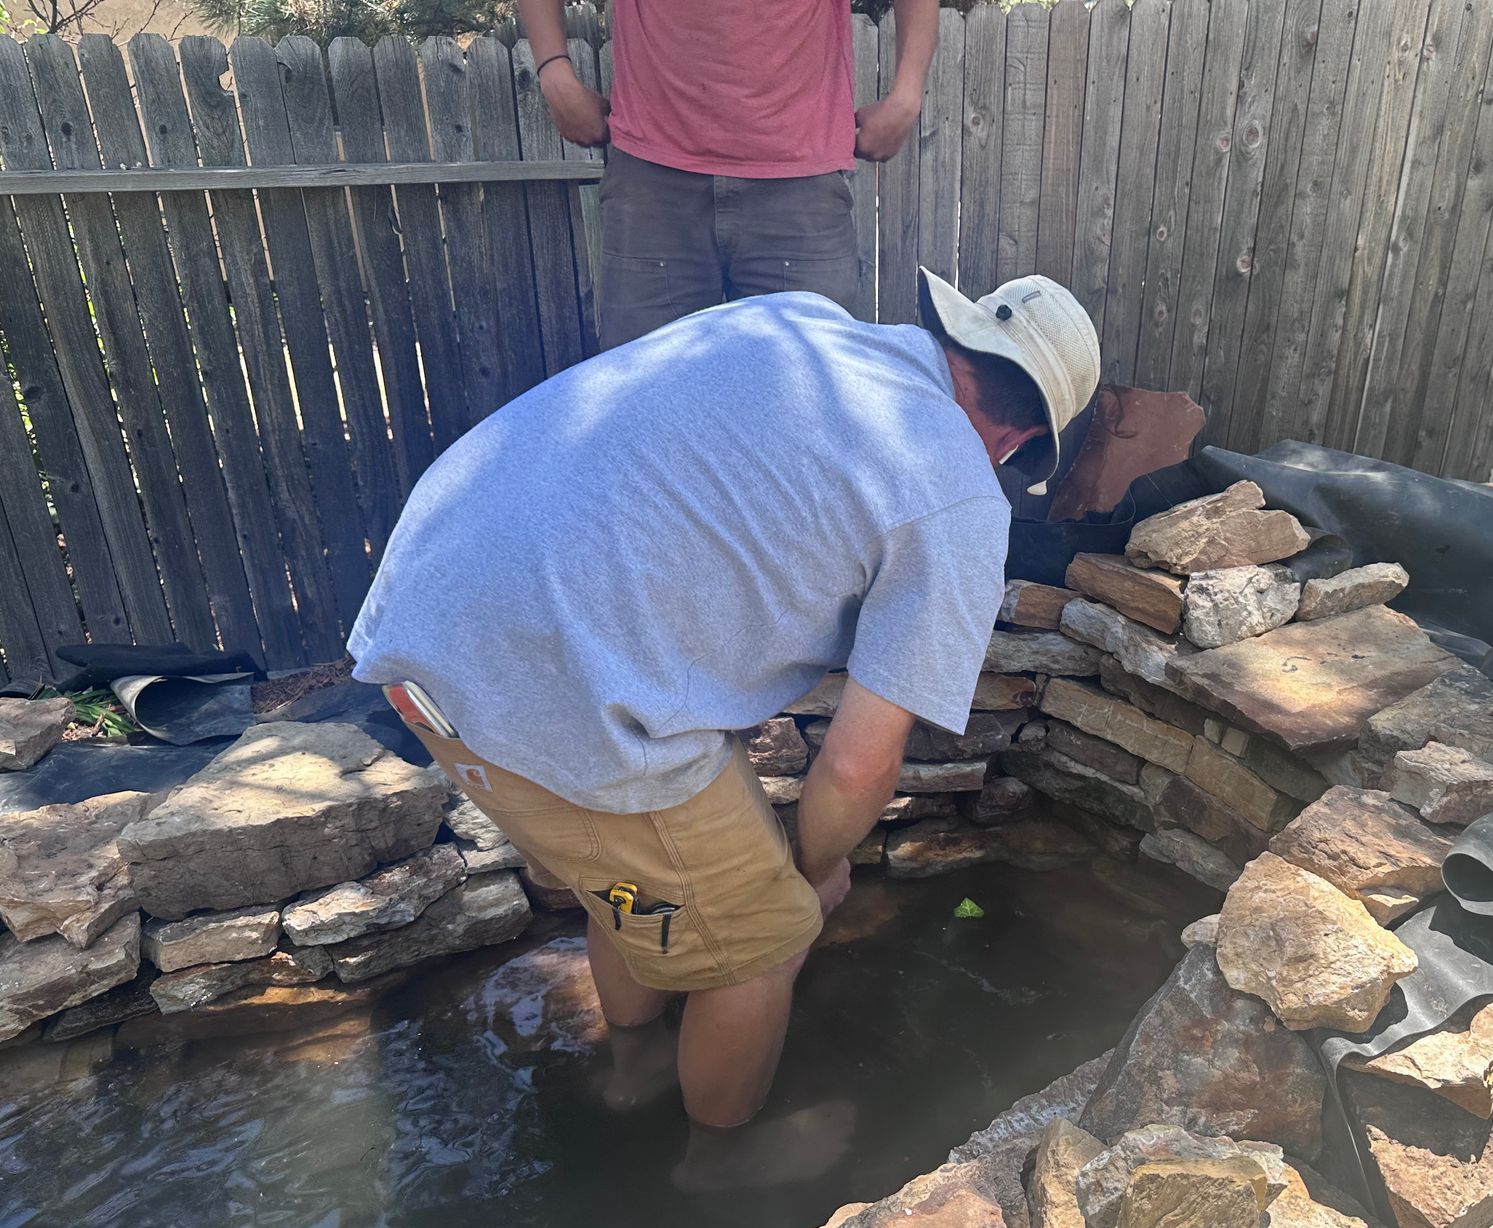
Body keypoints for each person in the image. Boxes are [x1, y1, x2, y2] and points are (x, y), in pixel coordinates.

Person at [349, 271, 1100, 1131]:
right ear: (1021, 438)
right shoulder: (959, 495)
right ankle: (718, 1170)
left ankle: (631, 1070)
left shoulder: (791, 321)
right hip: (558, 690)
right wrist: (812, 878)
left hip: (422, 627)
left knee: (624, 874)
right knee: (763, 946)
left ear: (956, 331)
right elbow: (860, 765)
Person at [522, 0, 940, 348]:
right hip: (653, 184)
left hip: (798, 184)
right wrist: (554, 74)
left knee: (808, 416)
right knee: (648, 409)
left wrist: (907, 97)